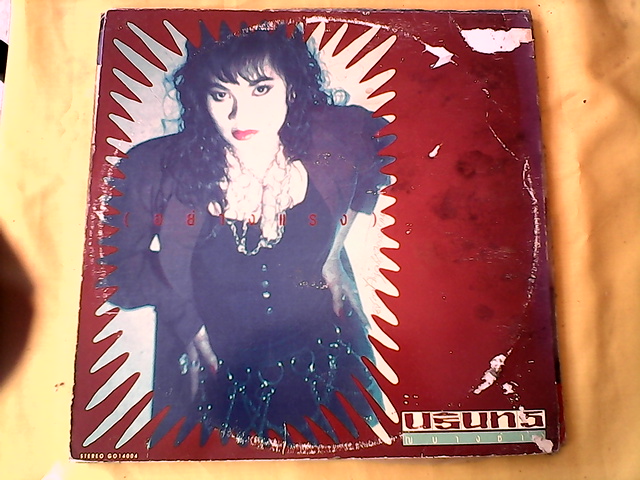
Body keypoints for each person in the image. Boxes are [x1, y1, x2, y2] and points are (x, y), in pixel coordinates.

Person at [104, 22, 393, 447]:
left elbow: (374, 161)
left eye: (260, 89)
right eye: (221, 95)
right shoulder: (154, 168)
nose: (240, 116)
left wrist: (333, 252)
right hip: (217, 372)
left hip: (328, 358)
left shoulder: (337, 136)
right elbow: (115, 270)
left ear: (291, 88)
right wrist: (186, 323)